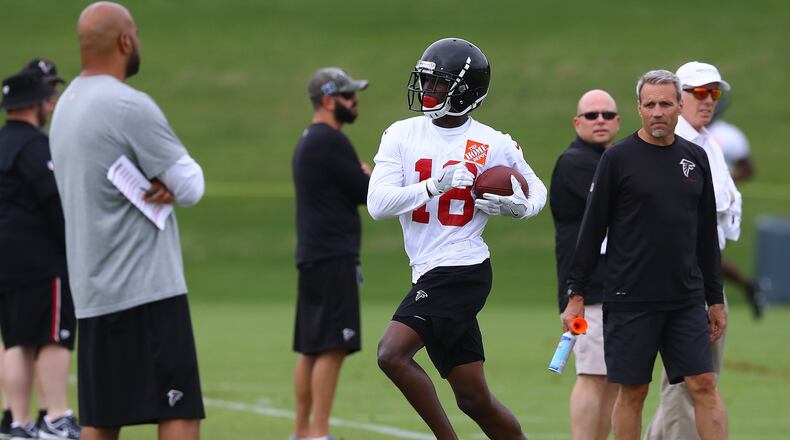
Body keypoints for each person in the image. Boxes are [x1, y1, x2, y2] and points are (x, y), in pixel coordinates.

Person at [368, 37, 547, 440]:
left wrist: (521, 208)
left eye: (438, 83)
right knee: (473, 399)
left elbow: (536, 189)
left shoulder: (493, 142)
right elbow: (377, 204)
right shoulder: (401, 133)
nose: (427, 90)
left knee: (391, 354)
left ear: (465, 91)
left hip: (462, 268)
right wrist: (434, 185)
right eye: (425, 81)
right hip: (426, 269)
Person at [49, 2, 205, 439]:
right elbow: (191, 185)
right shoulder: (127, 105)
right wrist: (167, 181)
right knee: (180, 411)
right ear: (124, 41)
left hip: (93, 293)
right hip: (146, 289)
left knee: (101, 419)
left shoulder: (66, 105)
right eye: (135, 34)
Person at [562, 70, 728, 440]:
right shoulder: (617, 159)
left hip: (685, 299)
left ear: (679, 106)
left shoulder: (695, 158)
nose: (657, 112)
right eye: (650, 104)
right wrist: (576, 294)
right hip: (630, 299)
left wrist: (714, 299)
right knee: (634, 391)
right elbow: (591, 231)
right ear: (638, 108)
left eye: (665, 104)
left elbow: (705, 236)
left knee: (704, 383)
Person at [642, 61, 740, 440]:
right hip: (683, 277)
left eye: (713, 93)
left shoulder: (707, 142)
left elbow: (726, 205)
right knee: (689, 382)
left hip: (706, 275)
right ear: (678, 98)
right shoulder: (675, 145)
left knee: (694, 381)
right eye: (699, 92)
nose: (708, 100)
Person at [290, 67, 371, 440]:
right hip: (333, 256)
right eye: (348, 96)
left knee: (311, 347)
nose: (355, 102)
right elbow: (365, 192)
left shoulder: (309, 140)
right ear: (328, 100)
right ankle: (319, 433)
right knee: (333, 346)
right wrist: (367, 175)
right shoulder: (331, 141)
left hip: (313, 255)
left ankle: (301, 432)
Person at [0, 70, 81, 440]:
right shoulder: (35, 146)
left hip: (7, 259)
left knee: (17, 339)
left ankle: (18, 423)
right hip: (40, 259)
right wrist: (74, 244)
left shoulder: (2, 143)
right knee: (53, 336)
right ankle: (56, 418)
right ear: (34, 104)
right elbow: (53, 201)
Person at [549, 89, 621, 440]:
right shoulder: (576, 162)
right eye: (592, 115)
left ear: (618, 121)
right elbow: (621, 209)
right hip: (588, 289)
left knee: (611, 377)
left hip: (614, 286)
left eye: (607, 115)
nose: (600, 120)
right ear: (577, 123)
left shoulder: (608, 161)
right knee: (592, 374)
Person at [708, 95, 764, 318]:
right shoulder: (683, 131)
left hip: (718, 207)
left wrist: (725, 185)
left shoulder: (728, 136)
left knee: (708, 255)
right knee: (705, 257)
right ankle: (748, 286)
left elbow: (748, 168)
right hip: (687, 201)